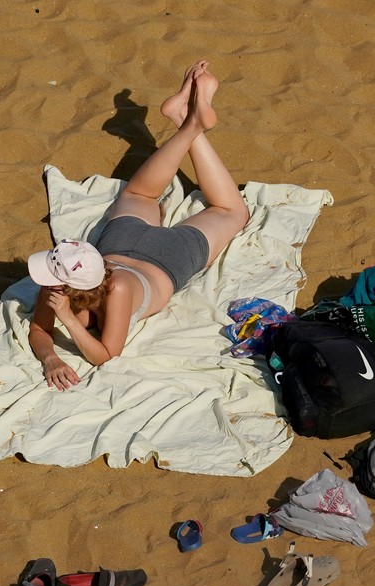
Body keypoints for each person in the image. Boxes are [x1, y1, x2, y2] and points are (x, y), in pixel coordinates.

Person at [26, 61, 249, 390]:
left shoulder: (118, 290)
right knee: (139, 193)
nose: (48, 282)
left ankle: (190, 124)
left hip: (165, 258)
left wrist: (69, 320)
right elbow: (38, 331)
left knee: (233, 211)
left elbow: (106, 354)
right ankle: (182, 120)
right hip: (120, 244)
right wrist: (51, 358)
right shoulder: (59, 276)